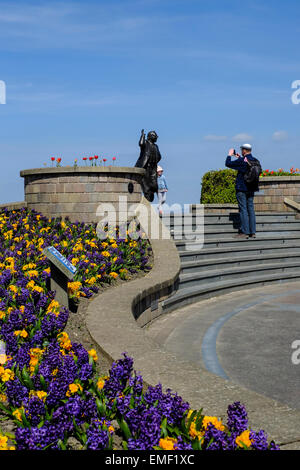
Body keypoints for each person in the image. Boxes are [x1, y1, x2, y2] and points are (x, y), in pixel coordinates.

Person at [225, 143, 259, 239]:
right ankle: (252, 232)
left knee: (243, 209)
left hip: (242, 188)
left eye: (241, 150)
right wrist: (239, 158)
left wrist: (229, 155)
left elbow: (228, 164)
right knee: (251, 209)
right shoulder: (255, 160)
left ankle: (244, 232)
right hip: (251, 188)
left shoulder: (242, 160)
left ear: (244, 150)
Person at [135, 129, 162, 202]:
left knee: (154, 185)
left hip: (153, 168)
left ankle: (150, 196)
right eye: (155, 136)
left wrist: (154, 162)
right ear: (151, 136)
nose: (156, 137)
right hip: (145, 167)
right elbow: (141, 144)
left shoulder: (156, 146)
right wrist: (143, 135)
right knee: (146, 186)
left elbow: (159, 156)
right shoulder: (146, 143)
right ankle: (147, 198)